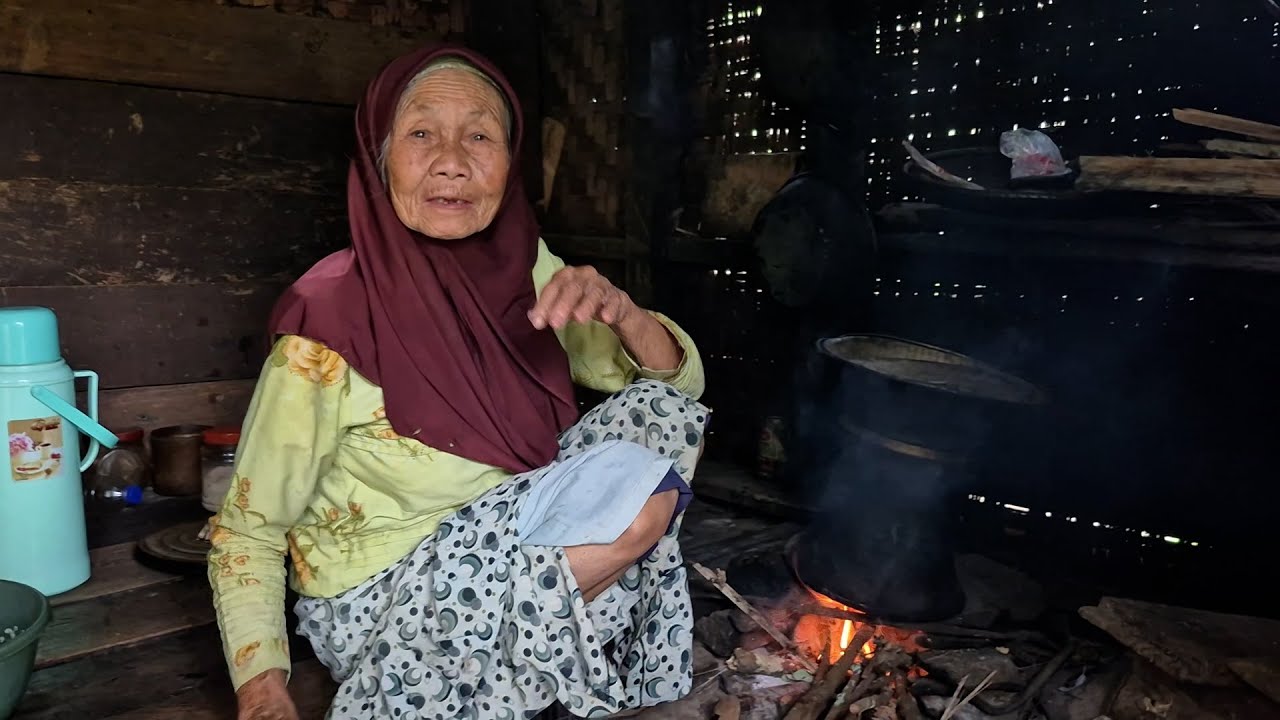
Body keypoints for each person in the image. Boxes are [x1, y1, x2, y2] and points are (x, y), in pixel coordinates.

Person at [206, 43, 708, 720]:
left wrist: (620, 309)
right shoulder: (325, 326)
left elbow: (676, 385)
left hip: (509, 533)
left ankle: (497, 665)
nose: (452, 160)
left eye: (479, 135)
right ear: (379, 158)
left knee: (658, 419)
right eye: (420, 133)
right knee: (642, 519)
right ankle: (457, 669)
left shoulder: (527, 269)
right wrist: (263, 687)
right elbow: (249, 529)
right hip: (382, 593)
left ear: (509, 162)